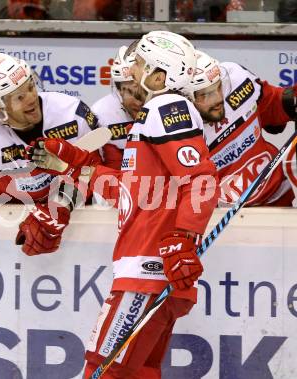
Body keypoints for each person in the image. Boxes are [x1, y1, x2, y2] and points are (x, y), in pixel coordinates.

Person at [27, 30, 219, 378]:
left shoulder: (166, 107)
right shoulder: (144, 118)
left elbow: (201, 181)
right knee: (138, 373)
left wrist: (184, 237)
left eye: (140, 64)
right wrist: (71, 164)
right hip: (153, 272)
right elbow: (130, 192)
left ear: (160, 76)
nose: (130, 72)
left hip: (145, 273)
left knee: (103, 371)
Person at [0, 52, 101, 252]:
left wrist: (56, 208)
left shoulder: (72, 113)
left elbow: (96, 174)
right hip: (7, 242)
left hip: (83, 235)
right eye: (20, 97)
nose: (31, 99)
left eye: (31, 87)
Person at [187, 50, 296, 206]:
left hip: (279, 195)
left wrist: (291, 100)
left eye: (218, 87)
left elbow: (272, 104)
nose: (218, 98)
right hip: (224, 219)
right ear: (185, 98)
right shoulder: (174, 129)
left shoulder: (235, 78)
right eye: (205, 94)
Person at [92, 43, 145, 169]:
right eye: (132, 93)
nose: (139, 102)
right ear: (119, 91)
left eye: (144, 93)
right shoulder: (99, 114)